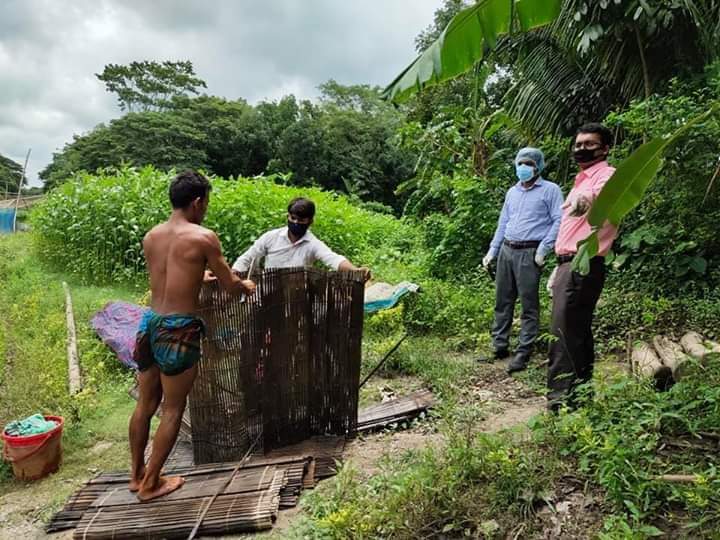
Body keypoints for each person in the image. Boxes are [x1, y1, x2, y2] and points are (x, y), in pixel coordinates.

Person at [129, 170, 256, 501]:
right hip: (178, 329)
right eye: (206, 203)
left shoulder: (151, 236)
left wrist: (199, 275)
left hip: (150, 322)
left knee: (145, 404)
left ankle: (136, 474)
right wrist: (245, 285)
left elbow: (170, 274)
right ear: (197, 202)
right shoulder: (203, 237)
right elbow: (231, 285)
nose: (206, 209)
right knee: (173, 408)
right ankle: (151, 484)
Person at [547, 123, 618, 410]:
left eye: (589, 144)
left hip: (582, 262)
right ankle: (580, 396)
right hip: (570, 263)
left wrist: (586, 199)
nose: (581, 149)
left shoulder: (606, 175)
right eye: (578, 144)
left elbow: (602, 196)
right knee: (576, 332)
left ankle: (560, 402)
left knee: (563, 335)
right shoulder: (581, 179)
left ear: (605, 149)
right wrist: (559, 265)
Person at [481, 147, 563, 373]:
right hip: (507, 249)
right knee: (502, 300)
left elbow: (559, 220)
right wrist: (493, 250)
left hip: (529, 252)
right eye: (520, 163)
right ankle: (499, 346)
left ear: (538, 167)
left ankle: (523, 351)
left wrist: (543, 249)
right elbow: (503, 222)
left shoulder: (550, 190)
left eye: (529, 164)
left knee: (528, 303)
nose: (524, 168)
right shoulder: (512, 192)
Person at [231, 197, 371, 280]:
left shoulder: (313, 244)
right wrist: (233, 274)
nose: (296, 222)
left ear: (310, 221)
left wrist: (355, 271)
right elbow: (248, 257)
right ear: (288, 216)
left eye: (301, 220)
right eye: (293, 218)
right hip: (269, 291)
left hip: (297, 297)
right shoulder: (271, 237)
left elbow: (333, 259)